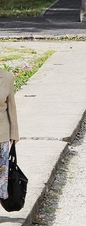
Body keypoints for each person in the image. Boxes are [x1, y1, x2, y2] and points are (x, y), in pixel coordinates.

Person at [0, 50, 19, 202]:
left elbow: (11, 107)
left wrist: (14, 133)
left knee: (1, 175)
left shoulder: (7, 77)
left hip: (2, 134)